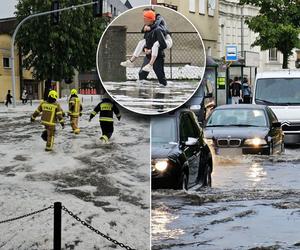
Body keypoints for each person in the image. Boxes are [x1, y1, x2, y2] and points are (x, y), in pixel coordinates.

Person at [120, 8, 172, 73]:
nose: (144, 16)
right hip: (156, 43)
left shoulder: (158, 19)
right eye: (144, 15)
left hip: (165, 39)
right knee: (142, 42)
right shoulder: (149, 25)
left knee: (156, 44)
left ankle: (150, 65)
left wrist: (150, 49)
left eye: (146, 14)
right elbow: (144, 34)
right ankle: (131, 61)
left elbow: (161, 42)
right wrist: (145, 48)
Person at [137, 10, 168, 86]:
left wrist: (152, 50)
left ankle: (163, 92)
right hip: (148, 57)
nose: (143, 20)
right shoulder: (147, 30)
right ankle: (143, 94)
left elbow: (163, 45)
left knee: (161, 77)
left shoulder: (158, 29)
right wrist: (145, 49)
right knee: (142, 74)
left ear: (150, 19)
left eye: (145, 18)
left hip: (158, 57)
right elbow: (145, 42)